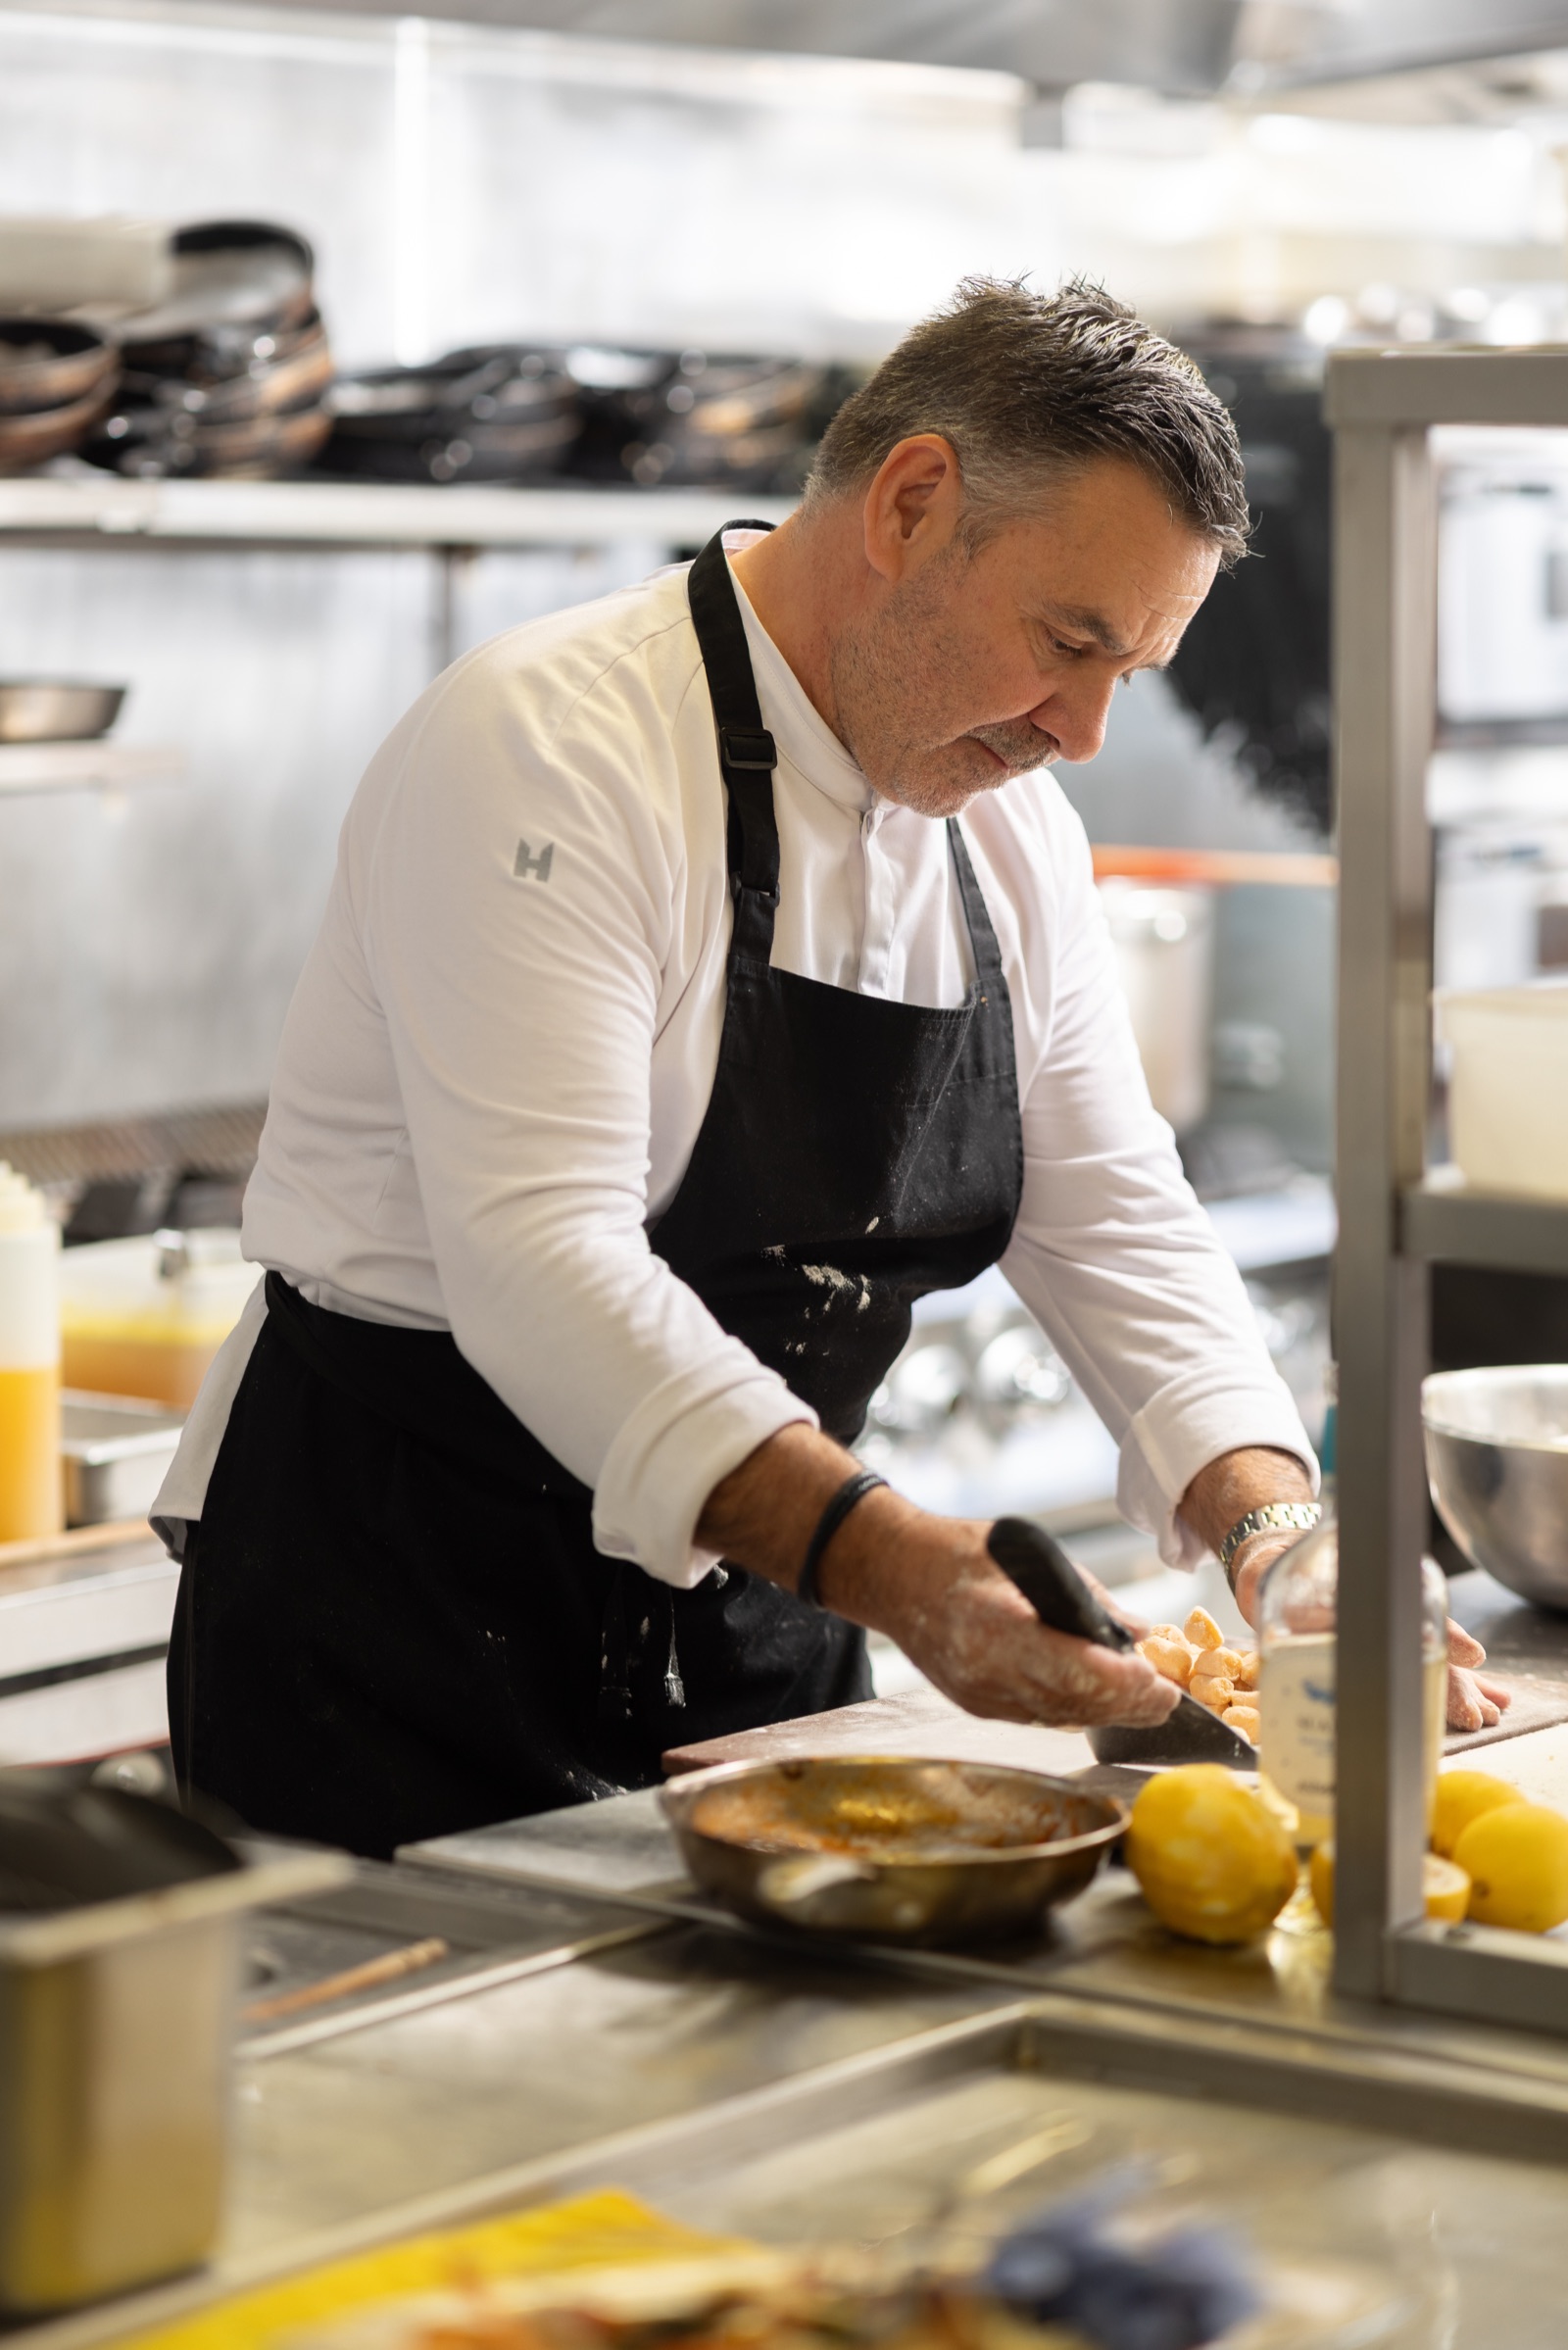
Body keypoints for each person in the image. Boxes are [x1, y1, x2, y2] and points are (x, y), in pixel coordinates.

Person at [154, 276, 1502, 1860]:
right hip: (398, 1634)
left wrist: (1280, 1540)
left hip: (763, 1641)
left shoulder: (1011, 834)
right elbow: (542, 1262)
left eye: (1126, 674)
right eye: (1067, 642)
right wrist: (899, 1566)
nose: (1079, 732)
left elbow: (1117, 1213)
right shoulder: (554, 744)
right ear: (914, 503)